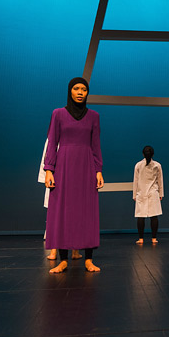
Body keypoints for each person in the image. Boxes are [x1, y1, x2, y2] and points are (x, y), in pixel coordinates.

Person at [43, 77, 104, 274]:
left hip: (86, 166)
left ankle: (88, 259)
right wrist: (49, 170)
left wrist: (98, 170)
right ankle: (63, 260)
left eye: (83, 89)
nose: (80, 92)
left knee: (87, 211)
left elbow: (96, 145)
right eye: (76, 88)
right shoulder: (58, 114)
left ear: (87, 93)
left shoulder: (94, 116)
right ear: (70, 91)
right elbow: (52, 142)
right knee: (62, 210)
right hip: (64, 165)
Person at [38, 138, 80, 262]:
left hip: (63, 178)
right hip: (57, 179)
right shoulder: (54, 138)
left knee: (64, 216)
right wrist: (47, 175)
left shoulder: (54, 138)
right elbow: (47, 158)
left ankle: (67, 251)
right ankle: (62, 251)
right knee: (60, 216)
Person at [133, 145, 163, 245]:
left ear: (143, 154)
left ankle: (141, 239)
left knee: (141, 216)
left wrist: (134, 195)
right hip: (153, 193)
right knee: (153, 216)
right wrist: (161, 193)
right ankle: (154, 238)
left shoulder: (138, 165)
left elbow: (135, 181)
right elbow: (160, 181)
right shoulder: (157, 165)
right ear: (153, 154)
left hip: (141, 192)